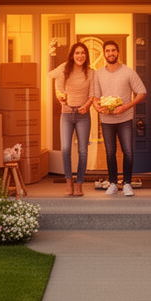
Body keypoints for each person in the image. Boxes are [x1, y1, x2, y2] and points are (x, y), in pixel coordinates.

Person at [90, 39, 146, 196]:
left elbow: (142, 92)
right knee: (110, 152)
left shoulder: (128, 72)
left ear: (118, 53)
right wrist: (97, 106)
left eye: (113, 50)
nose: (110, 53)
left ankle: (127, 183)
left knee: (128, 151)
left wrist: (126, 106)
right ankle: (113, 183)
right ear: (104, 53)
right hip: (106, 120)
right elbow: (95, 96)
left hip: (125, 119)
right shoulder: (98, 74)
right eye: (107, 51)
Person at [53, 42, 95, 197]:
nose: (80, 56)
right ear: (72, 55)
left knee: (83, 151)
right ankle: (68, 182)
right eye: (77, 53)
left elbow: (93, 93)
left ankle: (79, 183)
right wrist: (61, 98)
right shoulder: (64, 69)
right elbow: (58, 90)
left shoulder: (91, 73)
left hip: (83, 115)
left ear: (86, 56)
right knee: (65, 149)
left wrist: (87, 105)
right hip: (66, 114)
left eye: (83, 53)